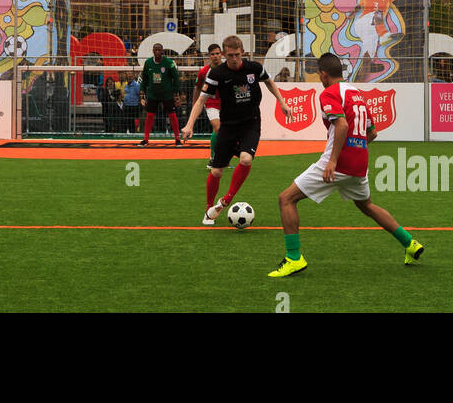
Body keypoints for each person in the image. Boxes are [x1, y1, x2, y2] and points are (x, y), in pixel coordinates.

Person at [268, 52, 424, 277]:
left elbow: (340, 125)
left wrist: (333, 161)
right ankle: (410, 243)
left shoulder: (330, 93)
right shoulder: (356, 93)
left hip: (338, 163)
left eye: (318, 74)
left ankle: (294, 258)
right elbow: (373, 132)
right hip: (359, 163)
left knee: (286, 199)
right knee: (367, 206)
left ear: (323, 74)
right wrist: (356, 147)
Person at [181, 35, 293, 225]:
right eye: (230, 55)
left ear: (243, 53)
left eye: (237, 55)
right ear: (224, 55)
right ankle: (209, 208)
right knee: (216, 172)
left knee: (246, 159)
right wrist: (189, 124)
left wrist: (282, 102)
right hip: (228, 126)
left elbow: (269, 82)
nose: (234, 59)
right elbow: (201, 100)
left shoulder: (254, 68)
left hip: (251, 123)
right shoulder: (217, 74)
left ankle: (227, 199)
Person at [139, 42, 181, 146]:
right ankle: (146, 139)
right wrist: (142, 91)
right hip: (153, 94)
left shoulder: (169, 62)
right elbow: (144, 78)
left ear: (162, 51)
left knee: (172, 115)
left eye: (159, 50)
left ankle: (177, 139)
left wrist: (176, 92)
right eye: (155, 50)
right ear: (153, 51)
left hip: (167, 94)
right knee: (149, 116)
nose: (157, 51)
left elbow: (175, 78)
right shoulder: (148, 63)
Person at [193, 43, 224, 156]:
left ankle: (223, 158)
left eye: (217, 53)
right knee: (217, 127)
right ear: (209, 56)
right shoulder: (203, 72)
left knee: (225, 131)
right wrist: (195, 106)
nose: (215, 56)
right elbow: (197, 88)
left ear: (222, 54)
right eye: (213, 54)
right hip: (211, 103)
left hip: (226, 104)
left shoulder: (228, 68)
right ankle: (213, 157)